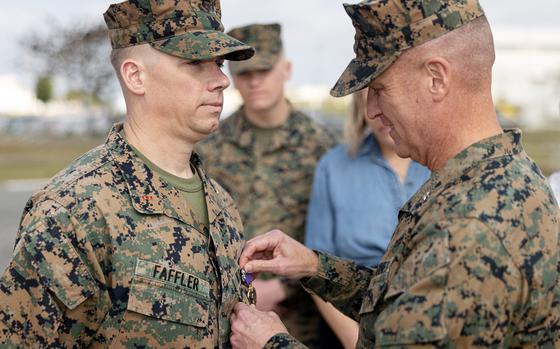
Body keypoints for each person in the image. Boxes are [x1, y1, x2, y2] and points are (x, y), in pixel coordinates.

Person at [229, 1, 560, 348]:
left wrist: (270, 343)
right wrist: (314, 266)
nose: (370, 109)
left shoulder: (469, 226)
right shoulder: (490, 179)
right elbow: (405, 303)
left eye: (381, 89)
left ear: (436, 78)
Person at [0, 0, 257, 347]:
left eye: (219, 63)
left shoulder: (222, 206)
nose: (222, 81)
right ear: (136, 76)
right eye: (196, 64)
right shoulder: (74, 211)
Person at [197, 23, 336, 348]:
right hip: (230, 316)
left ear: (285, 70)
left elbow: (335, 237)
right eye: (244, 73)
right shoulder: (209, 145)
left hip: (302, 317)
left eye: (265, 69)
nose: (255, 80)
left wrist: (284, 288)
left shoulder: (322, 146)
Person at [305, 89, 429, 348]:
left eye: (388, 96)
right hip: (351, 322)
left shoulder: (439, 163)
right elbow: (314, 268)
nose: (380, 113)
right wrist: (356, 341)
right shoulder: (334, 166)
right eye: (369, 100)